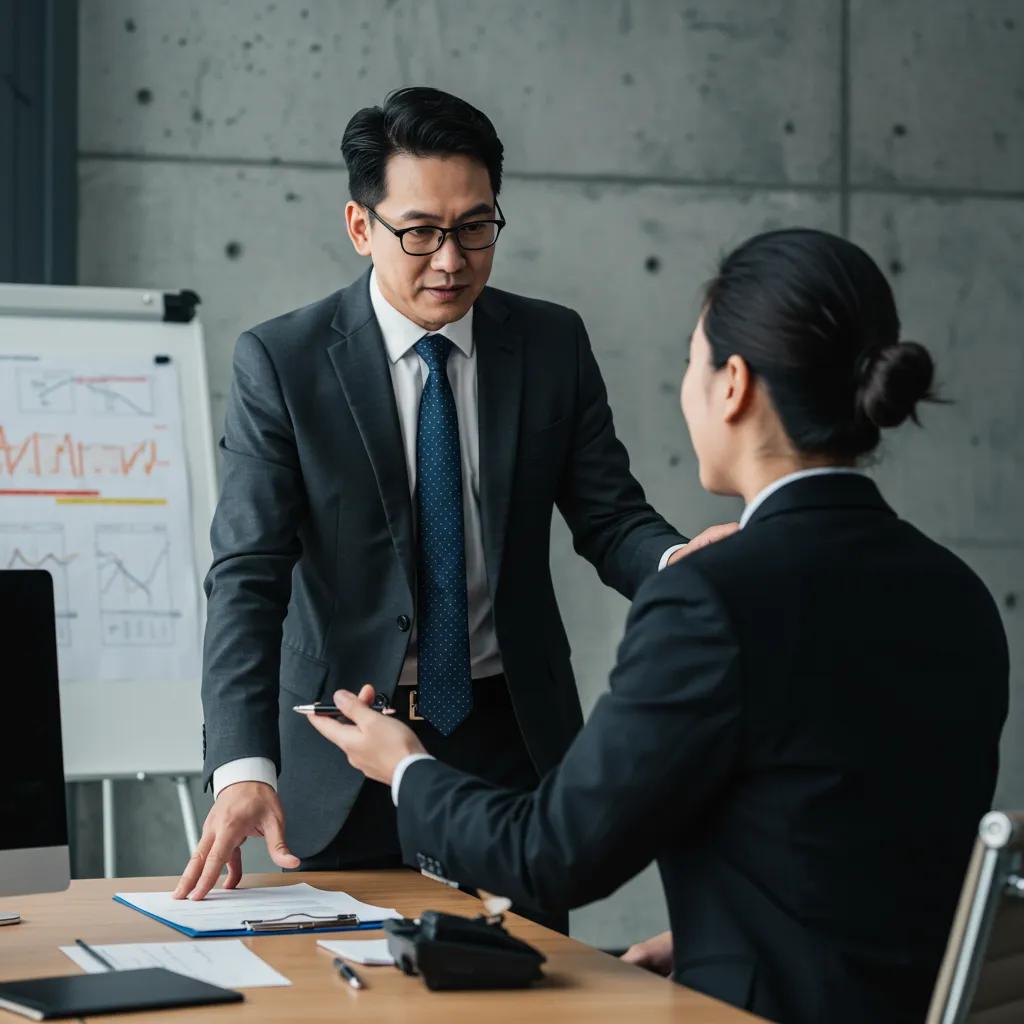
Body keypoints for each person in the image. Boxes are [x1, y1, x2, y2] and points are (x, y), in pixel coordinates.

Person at [307, 228, 1009, 1023]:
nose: (687, 387)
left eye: (691, 361)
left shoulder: (714, 599)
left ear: (733, 384)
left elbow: (550, 857)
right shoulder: (957, 592)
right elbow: (865, 843)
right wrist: (720, 934)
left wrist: (405, 768)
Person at [174, 87, 734, 911]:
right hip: (346, 745)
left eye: (475, 228)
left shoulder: (550, 344)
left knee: (526, 981)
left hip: (510, 739)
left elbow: (610, 516)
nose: (451, 259)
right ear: (362, 227)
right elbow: (248, 576)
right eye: (421, 232)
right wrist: (243, 768)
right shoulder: (284, 363)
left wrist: (675, 562)